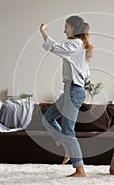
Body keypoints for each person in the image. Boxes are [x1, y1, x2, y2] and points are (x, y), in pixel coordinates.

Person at [39, 15, 92, 177]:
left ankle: (79, 169)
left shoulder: (75, 44)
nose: (64, 30)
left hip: (74, 90)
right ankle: (67, 146)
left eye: (66, 27)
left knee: (68, 130)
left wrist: (42, 31)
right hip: (70, 89)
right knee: (48, 118)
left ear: (73, 28)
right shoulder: (78, 44)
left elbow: (54, 47)